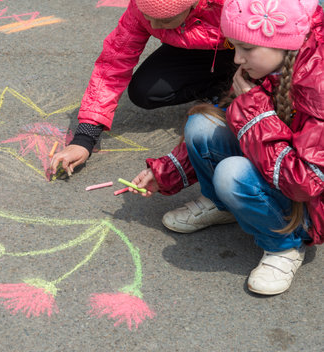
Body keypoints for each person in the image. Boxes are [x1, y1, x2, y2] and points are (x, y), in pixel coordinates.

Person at [129, 0, 324, 295]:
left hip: (309, 200)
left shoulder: (317, 84)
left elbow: (304, 183)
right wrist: (166, 171)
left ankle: (285, 244)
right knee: (202, 124)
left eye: (247, 49)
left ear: (285, 43)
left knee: (232, 174)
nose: (237, 59)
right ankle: (224, 205)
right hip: (276, 161)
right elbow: (227, 117)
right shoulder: (272, 64)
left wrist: (256, 115)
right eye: (235, 47)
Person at [49, 0, 236, 176]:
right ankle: (218, 89)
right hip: (199, 50)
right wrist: (85, 137)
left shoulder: (234, 6)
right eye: (148, 17)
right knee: (144, 90)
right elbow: (113, 64)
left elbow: (263, 52)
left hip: (245, 52)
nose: (153, 26)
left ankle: (231, 94)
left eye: (165, 20)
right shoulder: (140, 8)